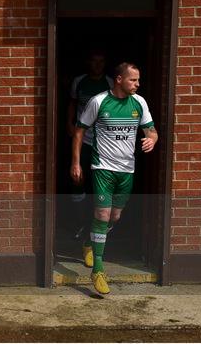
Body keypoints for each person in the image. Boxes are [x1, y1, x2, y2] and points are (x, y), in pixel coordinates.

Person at [70, 62, 158, 294]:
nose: (137, 84)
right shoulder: (99, 101)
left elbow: (151, 130)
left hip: (127, 170)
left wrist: (152, 139)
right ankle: (98, 270)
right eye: (133, 80)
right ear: (119, 79)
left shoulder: (139, 103)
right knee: (102, 213)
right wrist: (76, 162)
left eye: (138, 80)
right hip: (102, 167)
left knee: (114, 217)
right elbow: (79, 130)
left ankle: (89, 242)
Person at [67, 50, 113, 268]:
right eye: (94, 60)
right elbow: (72, 104)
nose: (97, 65)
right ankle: (78, 224)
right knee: (78, 183)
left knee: (100, 193)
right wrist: (70, 124)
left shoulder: (111, 83)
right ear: (88, 62)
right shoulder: (79, 81)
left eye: (101, 61)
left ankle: (91, 235)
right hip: (83, 140)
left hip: (104, 145)